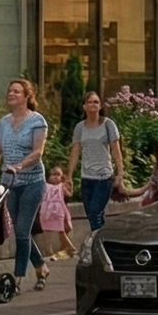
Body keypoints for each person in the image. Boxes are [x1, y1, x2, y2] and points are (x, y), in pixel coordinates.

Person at [0, 78, 52, 294]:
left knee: (22, 230)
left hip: (32, 182)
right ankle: (41, 265)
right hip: (9, 184)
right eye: (10, 90)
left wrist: (19, 165)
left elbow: (38, 151)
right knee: (19, 232)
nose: (11, 94)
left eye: (17, 91)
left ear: (27, 96)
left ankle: (18, 278)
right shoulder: (4, 122)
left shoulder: (37, 121)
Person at [63, 90, 123, 250]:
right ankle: (106, 245)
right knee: (92, 214)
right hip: (86, 177)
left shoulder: (108, 125)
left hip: (104, 177)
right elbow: (75, 151)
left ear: (100, 105)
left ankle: (96, 247)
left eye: (96, 102)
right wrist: (69, 175)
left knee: (96, 212)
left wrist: (120, 174)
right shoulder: (80, 127)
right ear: (84, 106)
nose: (93, 105)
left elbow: (116, 150)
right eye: (90, 102)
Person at [36, 165, 73, 265]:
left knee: (61, 231)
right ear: (49, 176)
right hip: (46, 212)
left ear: (62, 177)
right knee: (47, 231)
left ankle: (70, 247)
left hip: (57, 212)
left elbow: (69, 195)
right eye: (53, 174)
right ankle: (49, 250)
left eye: (58, 175)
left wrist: (70, 185)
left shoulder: (61, 186)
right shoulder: (45, 186)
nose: (56, 177)